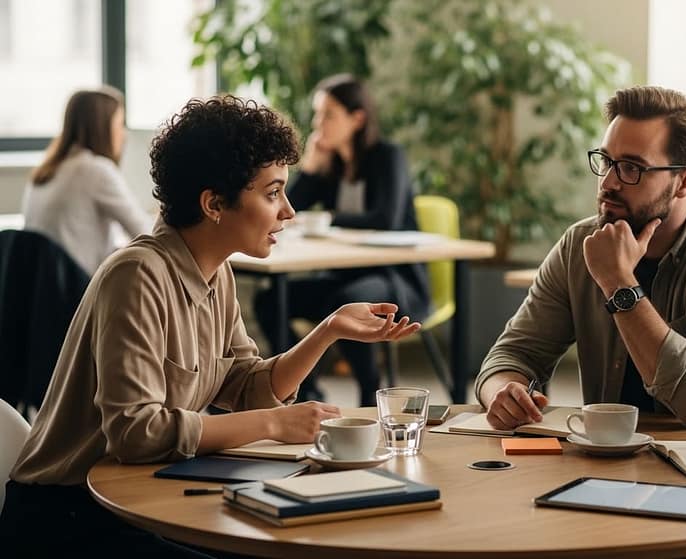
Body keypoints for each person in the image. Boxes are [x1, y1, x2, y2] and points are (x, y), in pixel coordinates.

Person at [0, 96, 420, 557]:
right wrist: (274, 424)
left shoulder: (216, 273)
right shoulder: (137, 275)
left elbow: (244, 385)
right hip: (67, 516)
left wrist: (328, 330)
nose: (289, 212)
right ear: (214, 203)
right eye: (273, 192)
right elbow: (137, 433)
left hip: (140, 495)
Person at [475, 86, 686, 430]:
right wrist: (503, 391)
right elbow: (513, 355)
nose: (609, 182)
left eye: (631, 168)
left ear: (685, 182)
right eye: (606, 161)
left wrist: (619, 284)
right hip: (607, 458)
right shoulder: (580, 243)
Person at [254, 74, 429, 406]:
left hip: (395, 281)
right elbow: (289, 209)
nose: (319, 125)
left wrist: (330, 218)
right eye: (317, 115)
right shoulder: (331, 164)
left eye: (328, 115)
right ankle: (305, 387)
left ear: (357, 118)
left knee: (345, 303)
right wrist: (310, 168)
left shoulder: (388, 157)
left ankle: (368, 393)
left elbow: (385, 220)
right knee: (270, 301)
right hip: (339, 278)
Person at [22, 86, 151, 275]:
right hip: (76, 291)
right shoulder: (95, 170)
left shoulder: (45, 170)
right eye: (119, 124)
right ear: (102, 127)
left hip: (41, 291)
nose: (123, 135)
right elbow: (147, 234)